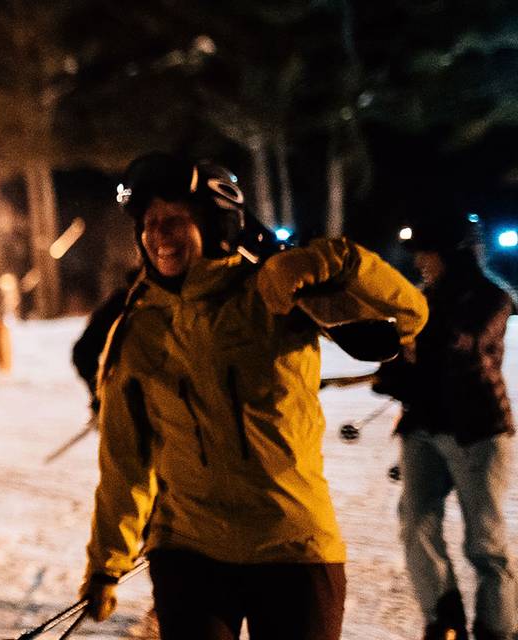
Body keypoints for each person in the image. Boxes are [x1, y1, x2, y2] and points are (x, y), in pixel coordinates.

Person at [79, 152, 427, 639]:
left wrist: (334, 261)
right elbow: (125, 460)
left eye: (175, 220)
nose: (158, 234)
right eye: (149, 223)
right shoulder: (139, 330)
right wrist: (105, 564)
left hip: (293, 547)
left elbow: (409, 316)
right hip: (189, 554)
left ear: (214, 221)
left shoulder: (273, 293)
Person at [374, 213, 518, 640]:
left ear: (452, 254)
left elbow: (466, 344)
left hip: (478, 431)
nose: (420, 262)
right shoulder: (421, 298)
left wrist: (413, 342)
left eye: (427, 253)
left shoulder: (493, 298)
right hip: (423, 427)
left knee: (485, 544)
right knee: (415, 523)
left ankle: (499, 630)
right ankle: (443, 617)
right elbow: (404, 355)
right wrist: (393, 366)